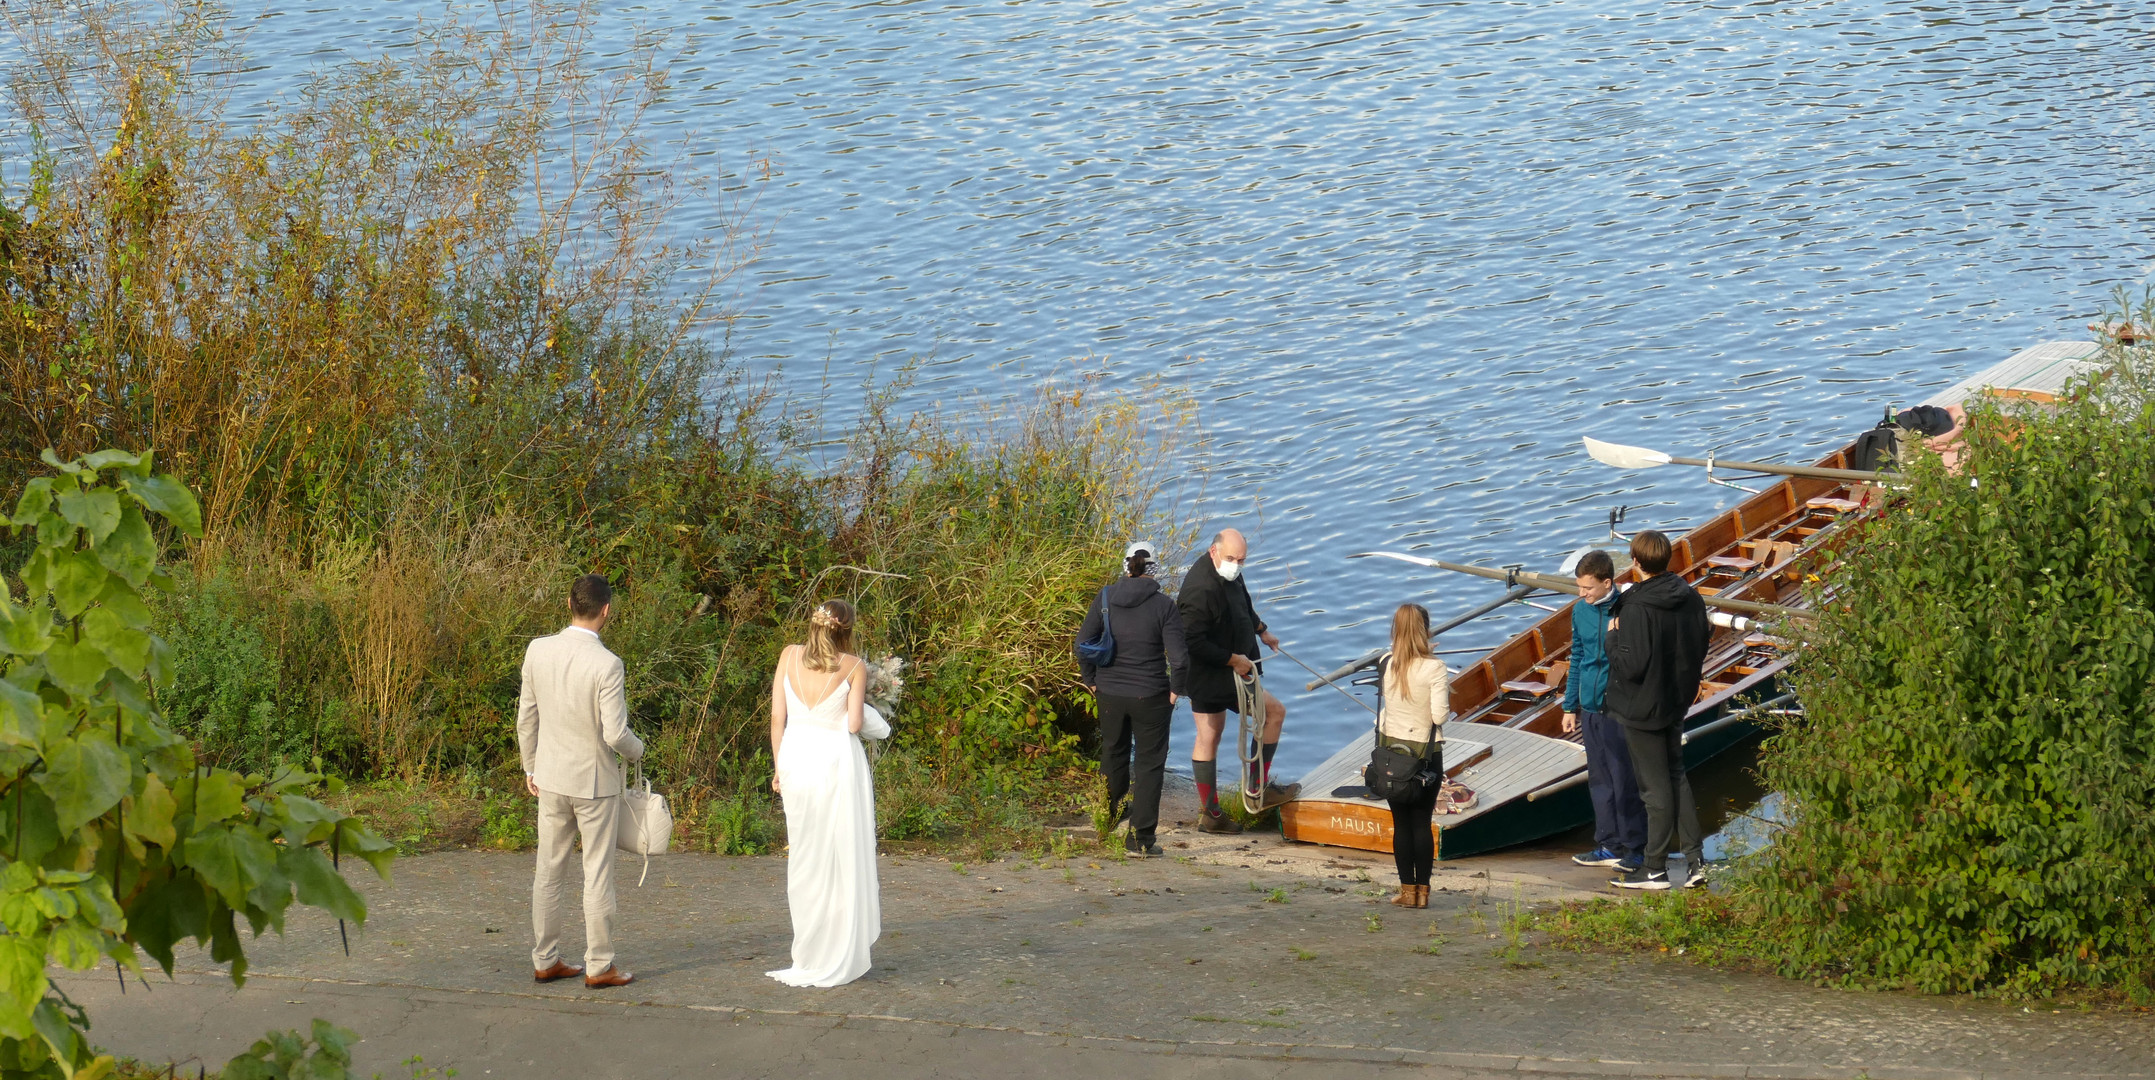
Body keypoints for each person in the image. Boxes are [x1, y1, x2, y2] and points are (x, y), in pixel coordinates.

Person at [520, 573, 645, 989]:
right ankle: (599, 965)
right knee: (597, 873)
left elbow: (527, 716)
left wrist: (530, 766)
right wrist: (638, 750)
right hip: (595, 783)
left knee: (548, 871)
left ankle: (545, 959)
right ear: (606, 611)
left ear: (568, 603)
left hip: (551, 777)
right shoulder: (607, 664)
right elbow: (615, 734)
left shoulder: (538, 650)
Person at [767, 600, 882, 987]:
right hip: (834, 763)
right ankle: (834, 948)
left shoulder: (788, 655)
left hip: (796, 759)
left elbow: (777, 718)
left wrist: (779, 767)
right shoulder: (853, 666)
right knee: (838, 853)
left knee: (804, 856)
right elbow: (852, 724)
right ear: (846, 630)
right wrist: (873, 712)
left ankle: (808, 951)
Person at [1604, 531, 1711, 891]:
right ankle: (1696, 862)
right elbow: (1701, 643)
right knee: (1677, 775)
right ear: (1668, 559)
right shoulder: (1689, 596)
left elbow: (1631, 667)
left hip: (1643, 709)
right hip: (1675, 700)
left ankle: (1653, 868)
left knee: (1654, 789)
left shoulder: (1636, 607)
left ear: (1635, 562)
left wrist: (1612, 637)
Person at [1075, 542, 1191, 858]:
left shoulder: (1105, 598)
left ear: (1125, 566)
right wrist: (1175, 689)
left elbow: (1082, 643)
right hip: (1150, 695)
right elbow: (1179, 659)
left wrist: (1092, 681)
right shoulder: (1164, 606)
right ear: (1153, 570)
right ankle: (1139, 839)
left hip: (1110, 693)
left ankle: (1107, 819)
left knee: (1113, 752)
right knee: (1150, 763)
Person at [1177, 528, 1294, 833]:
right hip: (1219, 672)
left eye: (1242, 560)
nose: (1237, 565)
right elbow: (1191, 641)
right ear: (1214, 551)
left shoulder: (1230, 572)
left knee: (1211, 733)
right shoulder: (1198, 590)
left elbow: (1241, 603)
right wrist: (1233, 660)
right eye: (1232, 558)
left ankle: (1211, 815)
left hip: (1229, 667)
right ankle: (1257, 789)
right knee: (1274, 713)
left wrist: (1261, 629)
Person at [1560, 549, 1646, 874]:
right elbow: (1577, 657)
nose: (1582, 594)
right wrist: (1570, 706)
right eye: (1579, 588)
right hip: (1590, 707)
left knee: (1625, 779)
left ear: (1607, 582)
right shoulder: (1580, 611)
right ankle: (1608, 844)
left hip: (1620, 707)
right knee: (1600, 779)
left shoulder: (1628, 607)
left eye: (1588, 588)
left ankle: (1635, 849)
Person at [1378, 603, 1449, 909]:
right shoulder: (1435, 668)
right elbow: (1439, 715)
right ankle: (1423, 894)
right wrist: (1429, 657)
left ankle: (1406, 891)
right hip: (1425, 755)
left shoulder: (1387, 663)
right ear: (1426, 630)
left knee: (1401, 824)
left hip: (1393, 755)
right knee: (1422, 823)